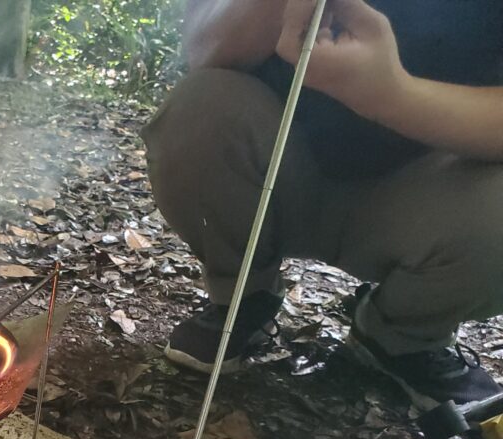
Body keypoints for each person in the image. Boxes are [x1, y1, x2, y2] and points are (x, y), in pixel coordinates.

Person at [142, 0, 503, 409]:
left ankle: (404, 334)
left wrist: (389, 94)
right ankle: (243, 295)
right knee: (200, 105)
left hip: (434, 189)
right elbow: (203, 49)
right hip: (271, 159)